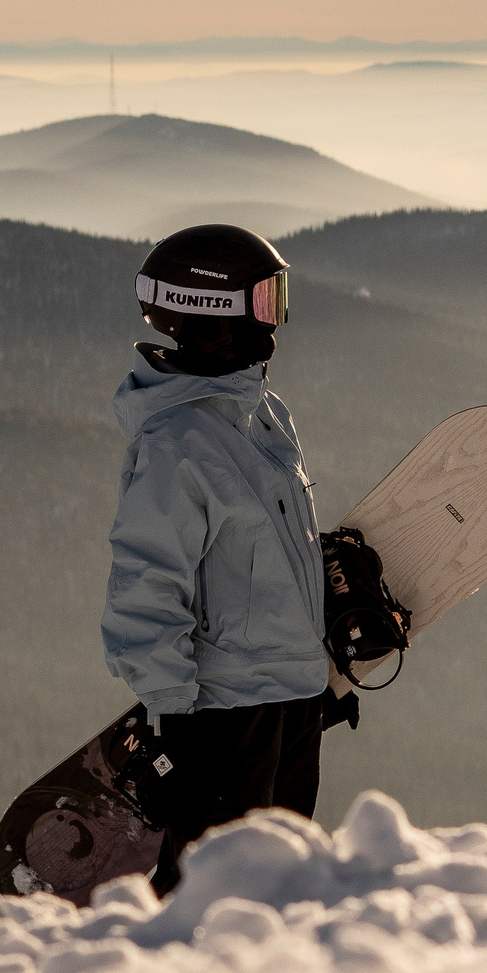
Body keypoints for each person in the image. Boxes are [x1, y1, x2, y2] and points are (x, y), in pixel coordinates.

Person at [101, 223, 350, 894]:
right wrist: (175, 717)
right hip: (228, 718)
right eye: (264, 302)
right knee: (214, 893)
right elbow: (145, 587)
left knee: (279, 887)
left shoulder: (264, 416)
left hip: (294, 703)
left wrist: (316, 660)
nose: (275, 322)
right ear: (213, 314)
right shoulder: (178, 445)